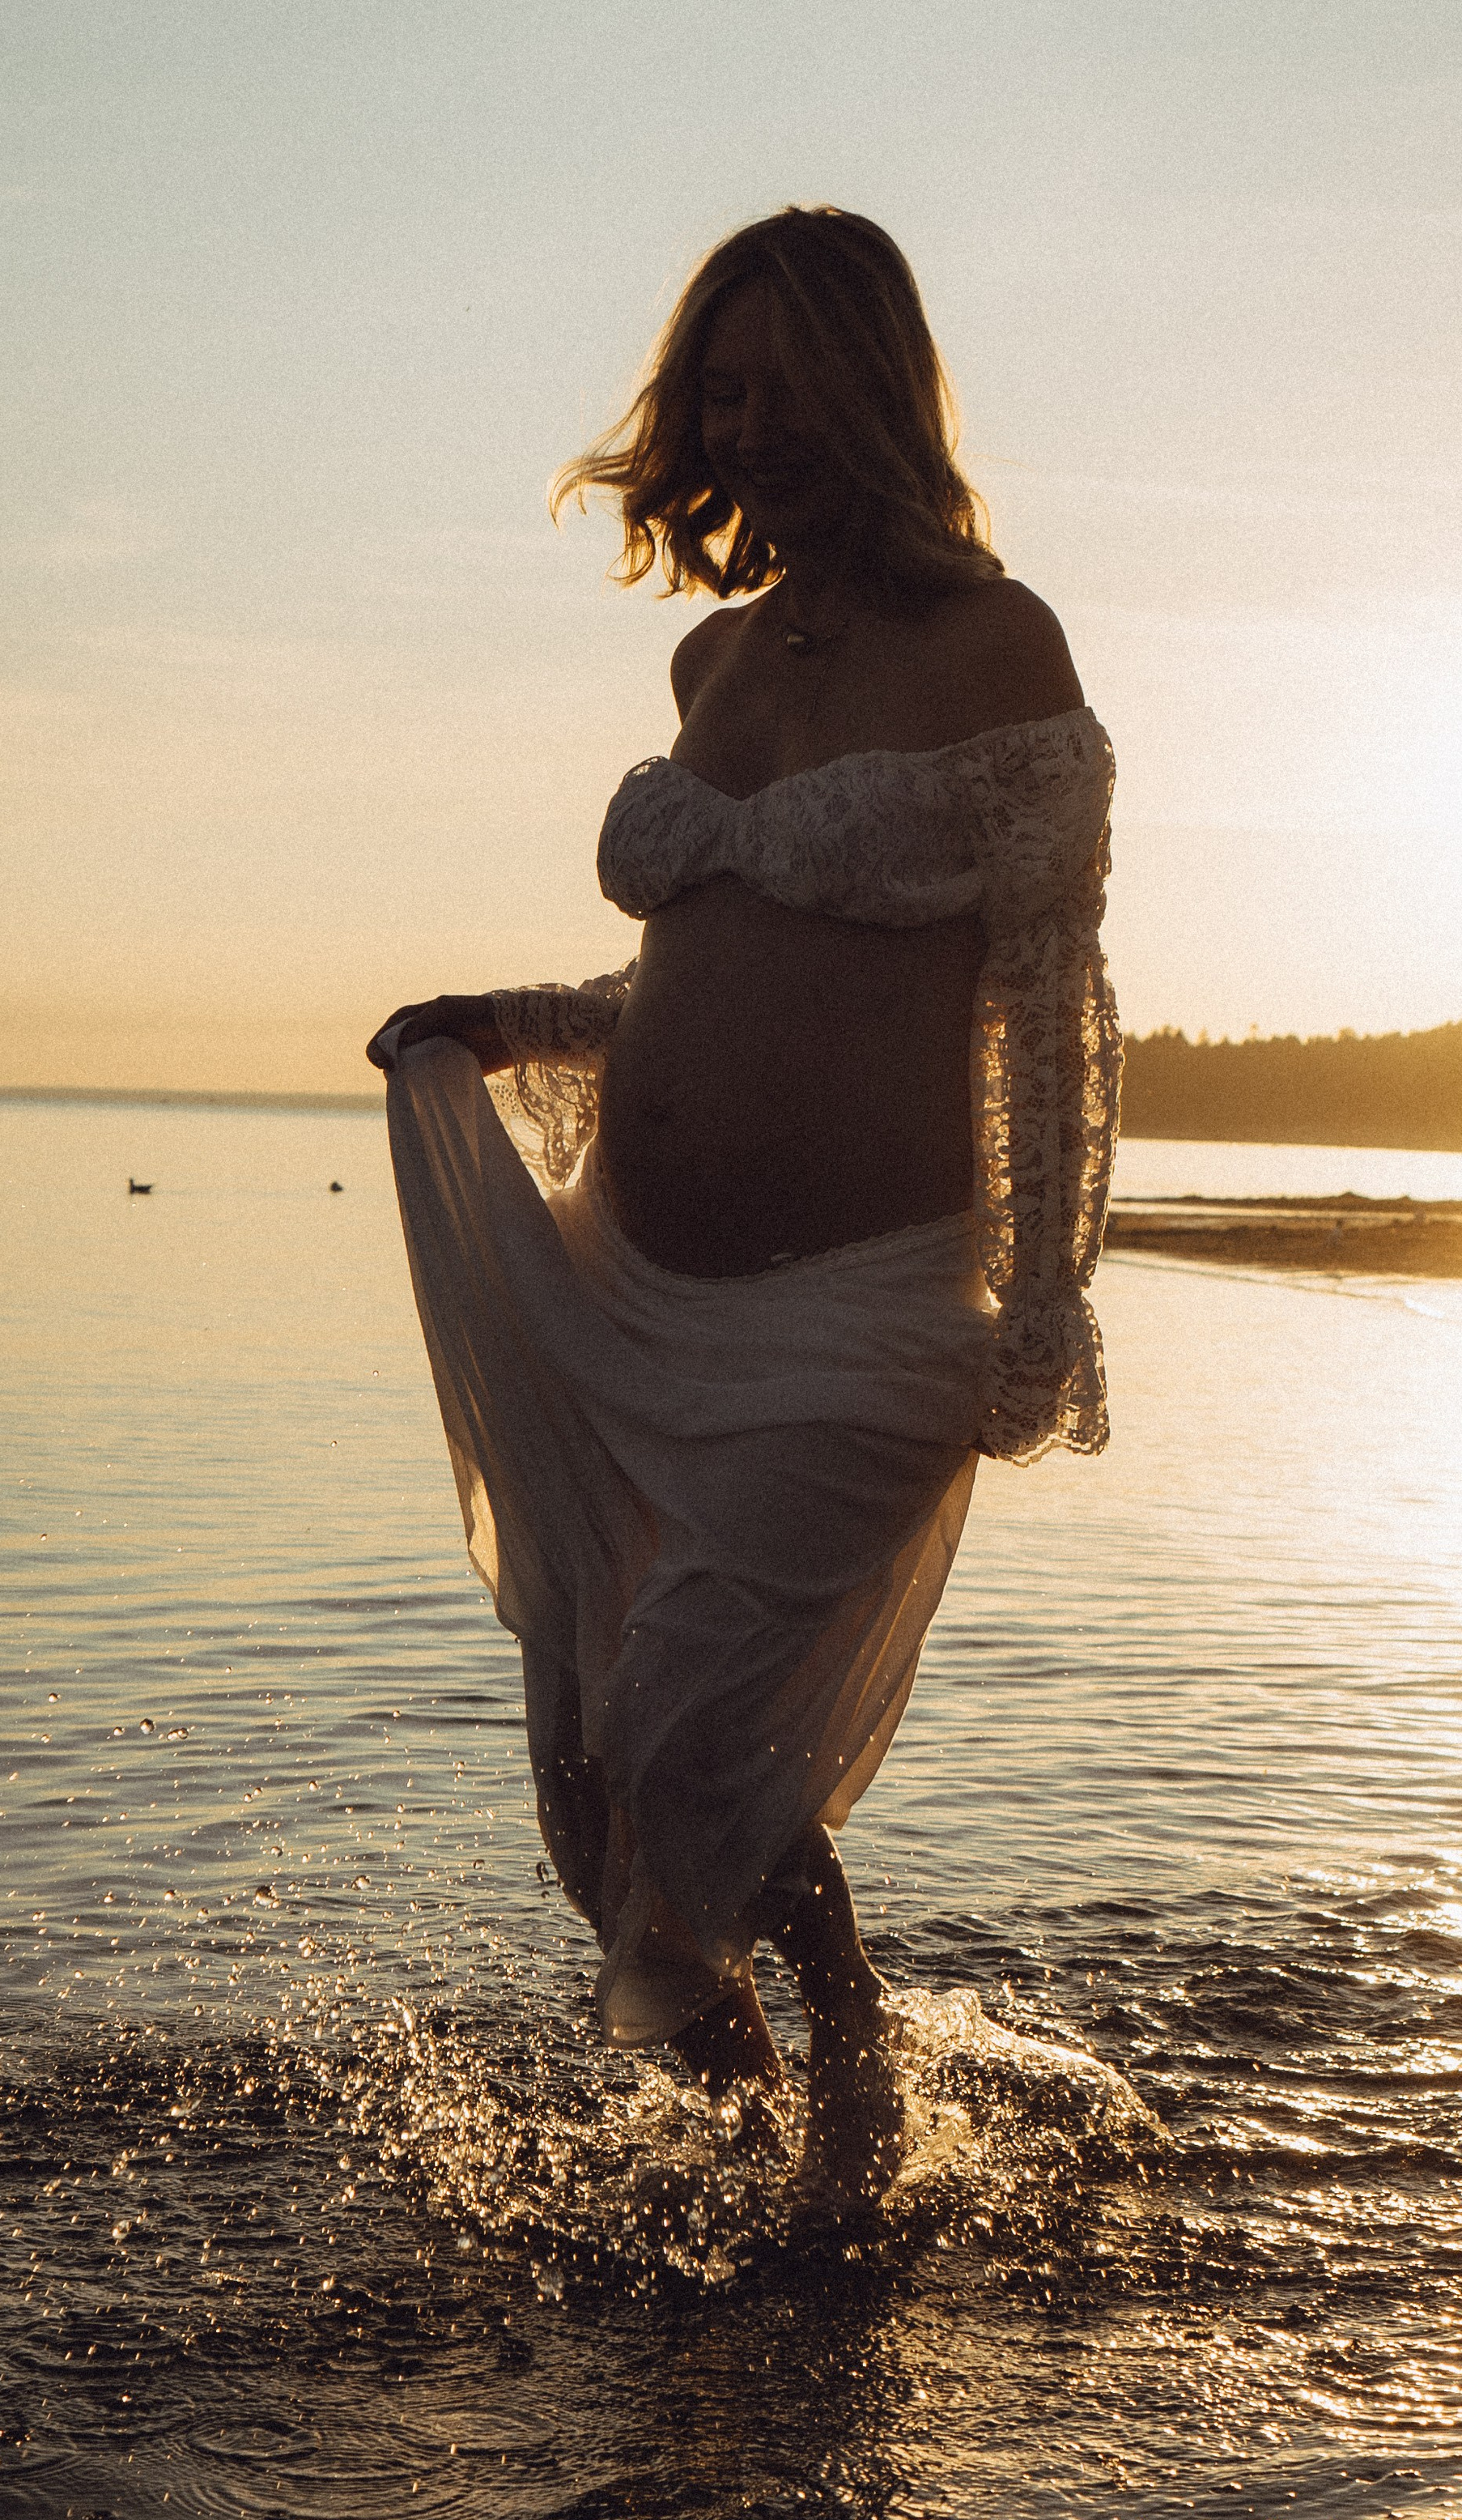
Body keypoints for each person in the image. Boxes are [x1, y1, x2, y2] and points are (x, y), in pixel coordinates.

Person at [368, 206, 1117, 2208]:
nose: (748, 422)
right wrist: (506, 1025)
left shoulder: (997, 647)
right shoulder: (709, 657)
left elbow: (1044, 998)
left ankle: (844, 2067)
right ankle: (766, 2158)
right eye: (719, 387)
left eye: (786, 383)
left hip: (858, 1309)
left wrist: (1044, 1302)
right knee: (587, 1789)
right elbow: (691, 984)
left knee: (683, 1745)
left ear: (877, 392)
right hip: (627, 1290)